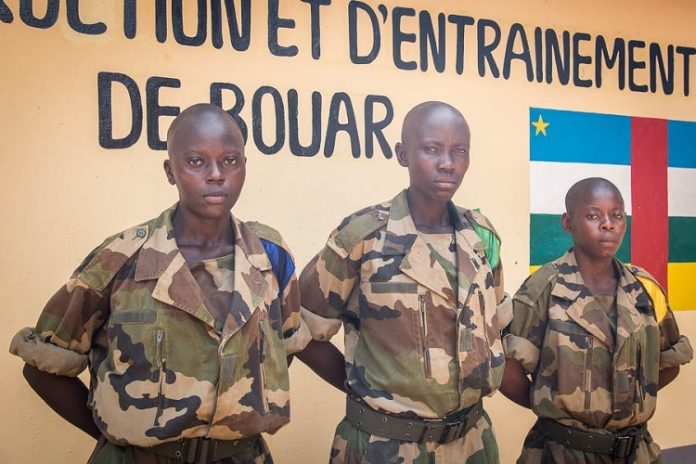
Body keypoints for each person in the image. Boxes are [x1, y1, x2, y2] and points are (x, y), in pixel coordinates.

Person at [9, 104, 310, 464]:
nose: (216, 175)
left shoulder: (269, 256)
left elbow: (283, 351)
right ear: (170, 171)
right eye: (196, 161)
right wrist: (118, 438)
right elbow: (43, 367)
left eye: (230, 160)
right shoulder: (120, 258)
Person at [296, 101, 511, 463]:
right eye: (431, 149)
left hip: (472, 444)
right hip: (384, 447)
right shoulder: (362, 237)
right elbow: (298, 331)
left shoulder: (481, 237)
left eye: (459, 151)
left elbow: (498, 330)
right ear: (402, 154)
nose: (448, 163)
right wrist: (362, 387)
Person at [500, 177, 693, 463]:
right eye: (593, 215)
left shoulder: (644, 289)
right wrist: (556, 407)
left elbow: (669, 363)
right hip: (562, 452)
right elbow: (507, 371)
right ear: (568, 223)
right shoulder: (544, 288)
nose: (608, 224)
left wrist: (623, 402)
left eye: (617, 215)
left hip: (636, 452)